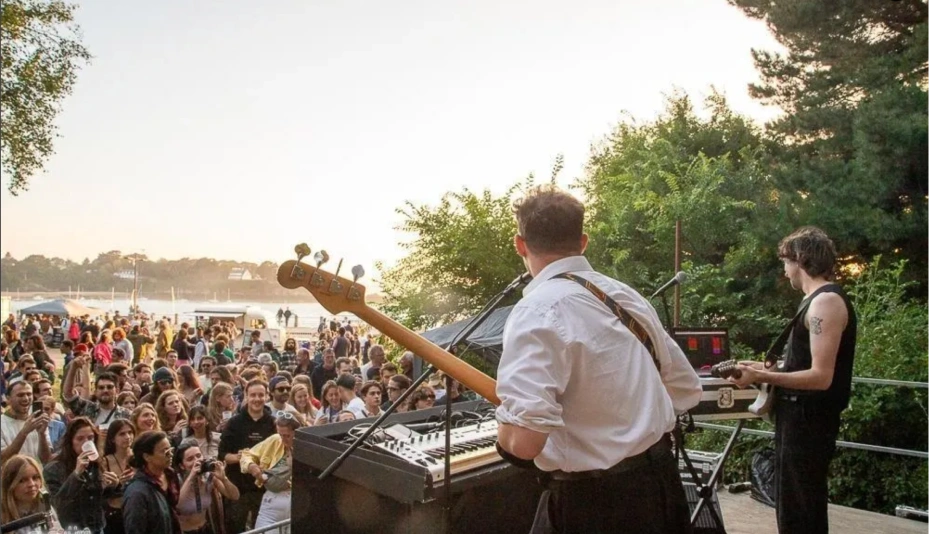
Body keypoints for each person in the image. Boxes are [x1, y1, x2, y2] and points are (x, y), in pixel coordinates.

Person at [494, 185, 702, 534]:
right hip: (661, 488)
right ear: (583, 241)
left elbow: (525, 443)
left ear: (520, 244)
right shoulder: (625, 296)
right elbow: (685, 389)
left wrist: (505, 427)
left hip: (594, 506)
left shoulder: (535, 311)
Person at [729, 226, 857, 534]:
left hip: (809, 420)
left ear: (800, 260)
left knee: (802, 508)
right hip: (798, 418)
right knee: (792, 506)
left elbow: (821, 376)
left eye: (786, 262)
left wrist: (760, 375)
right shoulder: (814, 301)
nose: (785, 271)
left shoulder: (825, 303)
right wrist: (758, 366)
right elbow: (801, 365)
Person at [239, 412, 300, 528]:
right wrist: (251, 466)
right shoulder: (275, 440)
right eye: (280, 435)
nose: (283, 439)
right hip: (272, 501)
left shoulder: (306, 448)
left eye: (287, 436)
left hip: (297, 501)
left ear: (296, 433)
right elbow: (246, 454)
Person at [121, 431, 182, 534]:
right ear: (147, 457)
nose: (171, 455)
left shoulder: (170, 475)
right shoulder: (137, 493)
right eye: (165, 452)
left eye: (170, 450)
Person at [0, 454, 61, 533]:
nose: (31, 484)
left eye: (35, 478)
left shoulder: (45, 506)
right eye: (22, 480)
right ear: (10, 485)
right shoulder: (3, 516)